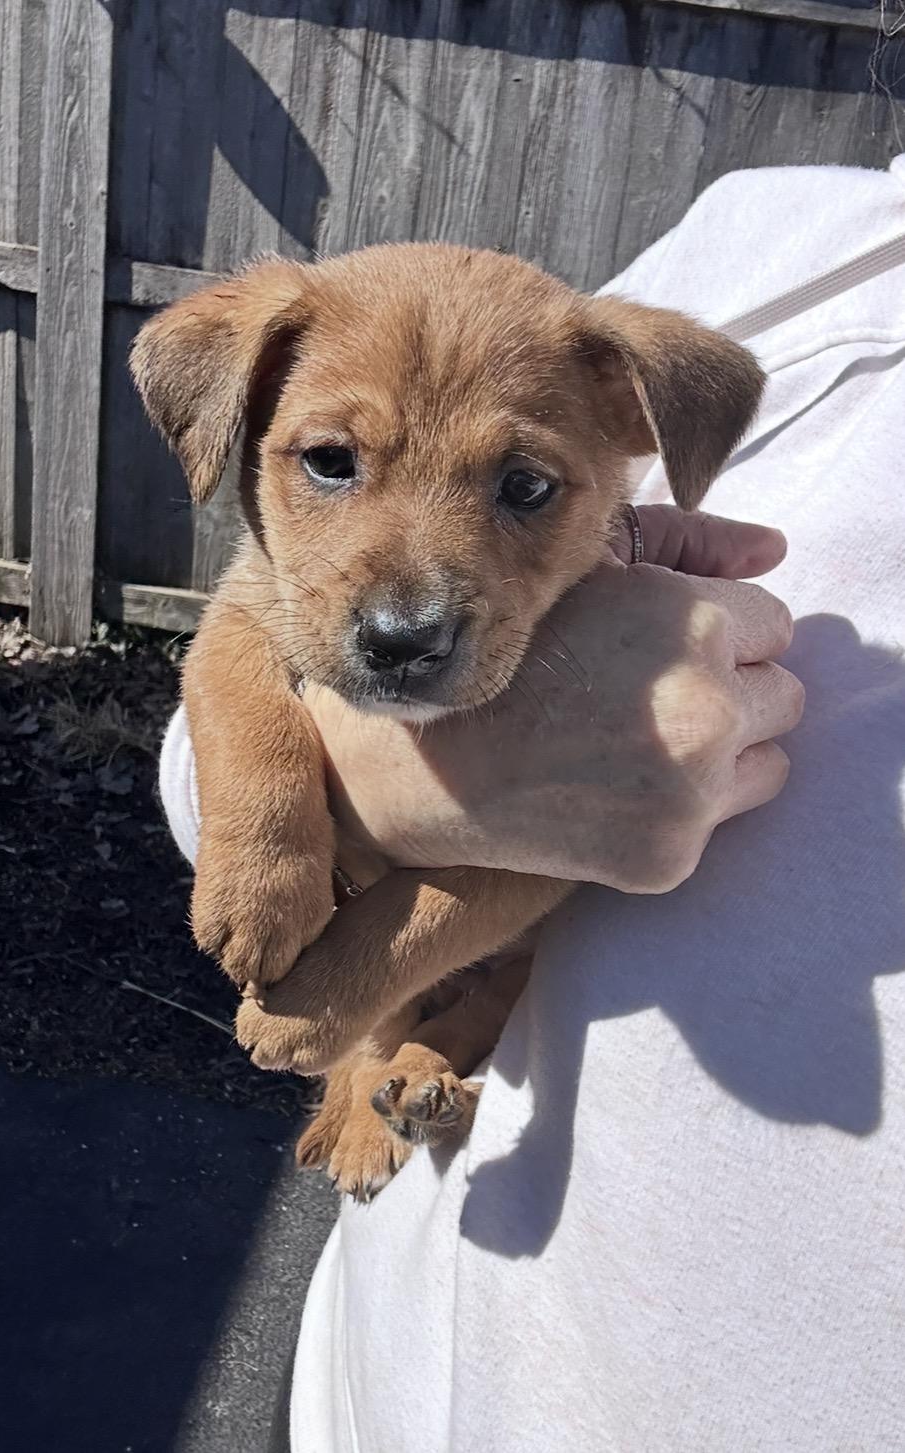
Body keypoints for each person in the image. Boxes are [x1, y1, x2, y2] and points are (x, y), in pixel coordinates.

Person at [162, 156, 905, 1451]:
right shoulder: (787, 243)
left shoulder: (652, 361)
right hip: (370, 1389)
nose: (415, 594)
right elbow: (225, 669)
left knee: (467, 989)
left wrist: (351, 977)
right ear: (241, 425)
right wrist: (285, 814)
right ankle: (377, 1061)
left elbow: (558, 853)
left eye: (522, 489)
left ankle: (401, 1058)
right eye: (331, 462)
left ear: (637, 435)